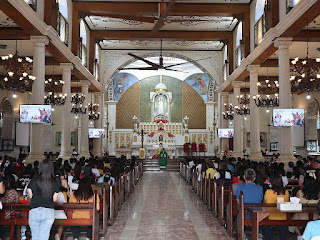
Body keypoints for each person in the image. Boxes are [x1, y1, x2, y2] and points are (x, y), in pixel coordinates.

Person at [27, 159, 60, 240]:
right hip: (48, 210)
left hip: (34, 209)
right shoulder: (55, 181)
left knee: (35, 236)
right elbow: (55, 199)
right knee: (44, 237)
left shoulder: (34, 179)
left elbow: (30, 195)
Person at [262, 174, 289, 240]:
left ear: (272, 182)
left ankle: (270, 238)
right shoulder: (286, 192)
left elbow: (264, 204)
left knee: (265, 226)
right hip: (283, 216)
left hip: (270, 216)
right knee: (283, 227)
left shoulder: (268, 192)